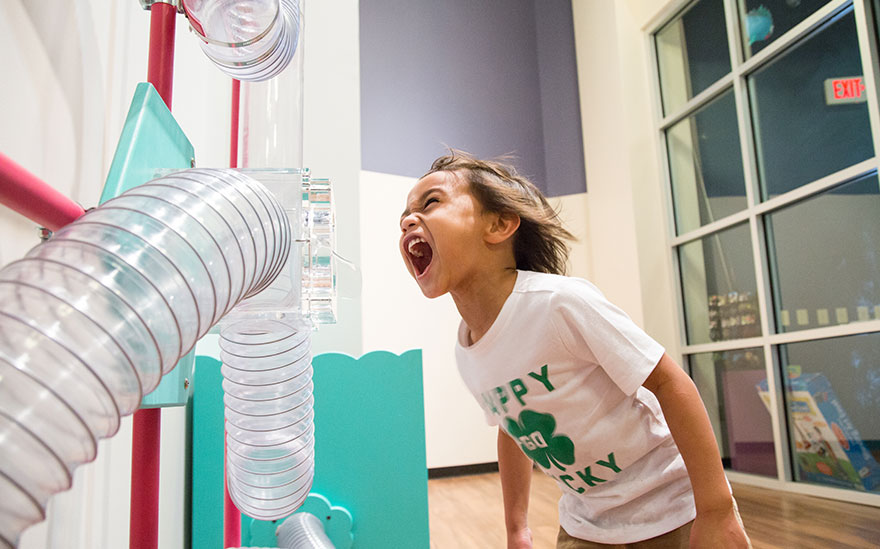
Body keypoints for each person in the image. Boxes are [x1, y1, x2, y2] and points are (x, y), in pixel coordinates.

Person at [398, 150, 751, 548]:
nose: (409, 220)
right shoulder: (468, 351)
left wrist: (716, 509)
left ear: (499, 224)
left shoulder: (559, 304)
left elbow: (670, 382)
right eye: (404, 218)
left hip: (671, 510)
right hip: (585, 524)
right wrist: (517, 528)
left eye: (430, 203)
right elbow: (513, 429)